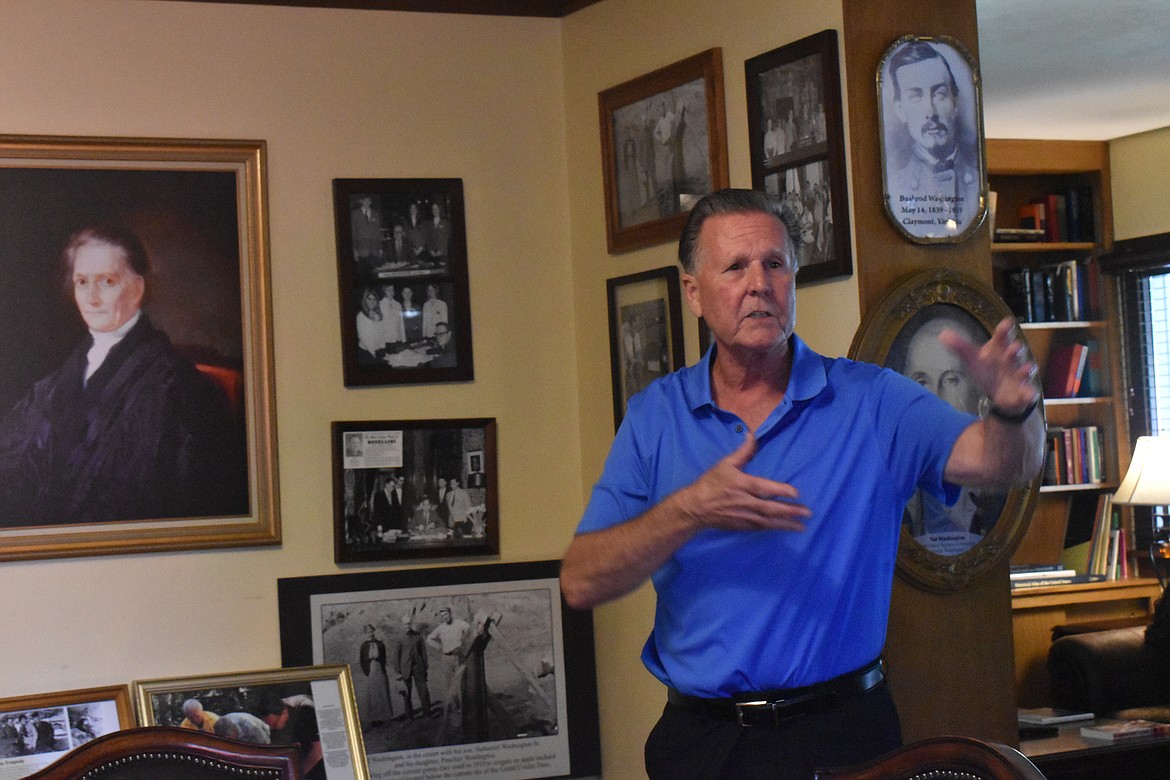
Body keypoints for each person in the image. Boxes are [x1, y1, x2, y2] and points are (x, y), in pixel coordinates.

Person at [559, 188, 1044, 780]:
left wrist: (1016, 409)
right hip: (703, 745)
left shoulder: (873, 401)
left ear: (793, 279)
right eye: (735, 266)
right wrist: (688, 510)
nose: (758, 283)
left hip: (843, 733)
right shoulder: (655, 417)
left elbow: (1003, 464)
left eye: (775, 264)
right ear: (693, 291)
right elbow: (581, 580)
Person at [0, 225, 244, 526]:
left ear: (138, 288)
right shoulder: (55, 383)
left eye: (107, 281)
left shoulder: (175, 388)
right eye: (82, 282)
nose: (91, 297)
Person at [898, 313, 1007, 542]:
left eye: (951, 379)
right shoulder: (893, 488)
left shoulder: (1000, 489)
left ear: (977, 391)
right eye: (922, 381)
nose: (936, 396)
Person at [886, 40, 981, 235]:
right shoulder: (894, 189)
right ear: (900, 109)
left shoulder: (978, 185)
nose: (930, 112)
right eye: (916, 96)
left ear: (954, 102)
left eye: (939, 95)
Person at [259, 693, 323, 780]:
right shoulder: (275, 710)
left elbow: (318, 750)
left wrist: (296, 775)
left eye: (274, 724)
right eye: (268, 724)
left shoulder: (307, 710)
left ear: (284, 713)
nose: (272, 728)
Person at [427, 606, 471, 710]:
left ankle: (467, 705)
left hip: (459, 656)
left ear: (450, 613)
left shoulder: (460, 623)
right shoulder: (441, 628)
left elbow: (470, 630)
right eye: (442, 616)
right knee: (451, 683)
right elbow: (429, 639)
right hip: (447, 658)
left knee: (463, 681)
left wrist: (465, 645)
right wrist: (439, 647)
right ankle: (456, 707)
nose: (445, 617)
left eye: (446, 614)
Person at [395, 613, 433, 720]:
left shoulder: (418, 636)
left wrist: (425, 667)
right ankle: (409, 716)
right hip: (405, 668)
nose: (407, 625)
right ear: (402, 625)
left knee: (423, 691)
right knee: (406, 693)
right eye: (405, 624)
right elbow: (396, 656)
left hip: (418, 667)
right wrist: (398, 672)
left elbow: (423, 653)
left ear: (411, 624)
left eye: (409, 623)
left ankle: (427, 714)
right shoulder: (400, 638)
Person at [358, 623, 394, 727]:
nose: (370, 633)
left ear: (374, 631)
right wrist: (367, 671)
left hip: (380, 669)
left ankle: (385, 717)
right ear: (365, 633)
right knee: (373, 694)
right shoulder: (364, 646)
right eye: (368, 632)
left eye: (372, 631)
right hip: (371, 670)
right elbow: (361, 660)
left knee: (382, 692)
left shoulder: (380, 644)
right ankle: (374, 719)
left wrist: (382, 667)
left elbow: (384, 658)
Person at [351, 195, 384, 278]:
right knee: (363, 277)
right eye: (364, 200)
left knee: (375, 276)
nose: (366, 202)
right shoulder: (355, 214)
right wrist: (355, 250)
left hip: (374, 251)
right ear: (361, 201)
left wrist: (380, 248)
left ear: (370, 202)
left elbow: (378, 232)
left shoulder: (375, 214)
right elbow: (353, 233)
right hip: (362, 251)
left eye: (368, 200)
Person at [355, 286, 386, 364]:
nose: (372, 301)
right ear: (365, 300)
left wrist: (382, 349)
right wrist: (373, 354)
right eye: (369, 299)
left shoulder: (378, 315)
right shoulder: (361, 316)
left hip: (378, 351)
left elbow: (381, 333)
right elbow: (364, 337)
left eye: (374, 299)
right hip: (367, 353)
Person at [425, 202, 451, 266]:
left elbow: (447, 238)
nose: (434, 210)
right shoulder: (429, 223)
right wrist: (431, 250)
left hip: (443, 254)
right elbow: (428, 238)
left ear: (439, 209)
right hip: (432, 254)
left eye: (436, 208)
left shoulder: (445, 222)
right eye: (433, 209)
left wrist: (441, 250)